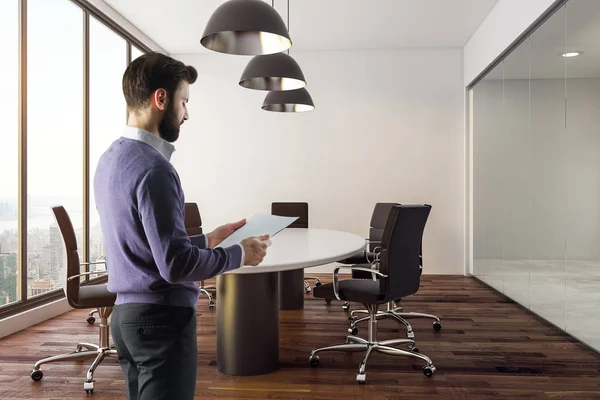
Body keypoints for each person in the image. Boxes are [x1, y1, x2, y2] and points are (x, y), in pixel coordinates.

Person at [93, 52, 271, 400]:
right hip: (161, 322)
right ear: (161, 99)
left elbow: (143, 242)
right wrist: (240, 254)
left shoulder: (109, 160)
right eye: (184, 101)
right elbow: (174, 266)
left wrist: (207, 239)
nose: (187, 113)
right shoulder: (155, 169)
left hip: (127, 321)